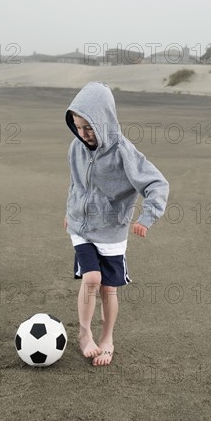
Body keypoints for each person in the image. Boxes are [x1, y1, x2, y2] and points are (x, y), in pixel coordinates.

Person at [63, 81, 169, 366]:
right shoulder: (76, 147)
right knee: (92, 279)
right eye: (77, 126)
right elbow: (76, 183)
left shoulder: (123, 151)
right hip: (81, 229)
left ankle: (107, 337)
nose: (83, 134)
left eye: (89, 127)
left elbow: (157, 183)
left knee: (108, 289)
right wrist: (70, 211)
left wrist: (146, 217)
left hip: (111, 232)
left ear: (104, 121)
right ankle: (85, 334)